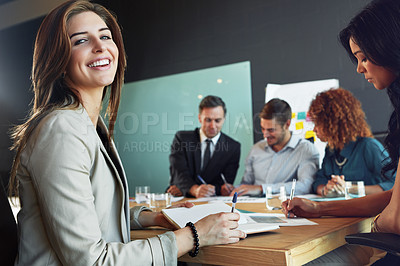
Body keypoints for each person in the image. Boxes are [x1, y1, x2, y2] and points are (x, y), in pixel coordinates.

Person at [9, 1, 246, 265]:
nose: (100, 47)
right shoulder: (60, 130)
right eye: (80, 41)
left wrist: (152, 217)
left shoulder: (87, 124)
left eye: (105, 36)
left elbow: (93, 211)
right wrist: (194, 235)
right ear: (58, 59)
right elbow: (92, 260)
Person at [283, 0, 400, 264]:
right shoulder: (330, 152)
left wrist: (381, 220)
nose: (359, 68)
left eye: (364, 57)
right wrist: (317, 206)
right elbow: (395, 196)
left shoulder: (368, 146)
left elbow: (393, 202)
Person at [310, 88, 394, 197]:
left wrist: (350, 188)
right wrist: (325, 189)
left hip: (371, 212)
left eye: (318, 124)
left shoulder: (369, 146)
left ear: (334, 123)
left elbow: (394, 185)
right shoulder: (331, 149)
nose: (314, 130)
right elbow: (319, 181)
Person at [230, 98, 319, 196]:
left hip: (282, 207)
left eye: (271, 130)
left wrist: (262, 189)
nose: (265, 135)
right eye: (263, 129)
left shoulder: (305, 150)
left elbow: (305, 186)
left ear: (287, 125)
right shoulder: (256, 149)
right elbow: (247, 184)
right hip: (250, 206)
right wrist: (235, 189)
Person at [167, 95, 241, 198]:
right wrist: (193, 189)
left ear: (224, 119)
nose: (212, 126)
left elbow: (224, 184)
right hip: (180, 197)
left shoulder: (233, 147)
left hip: (212, 201)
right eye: (208, 120)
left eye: (217, 120)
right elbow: (179, 173)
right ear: (200, 118)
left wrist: (223, 189)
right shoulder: (182, 139)